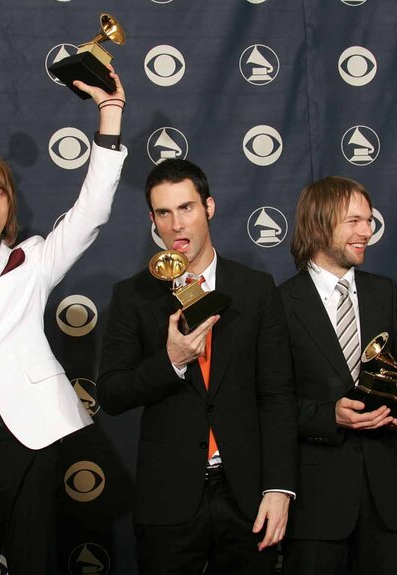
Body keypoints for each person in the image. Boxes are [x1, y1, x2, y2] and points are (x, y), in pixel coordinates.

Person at [0, 71, 126, 574]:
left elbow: (91, 213)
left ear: (9, 203)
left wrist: (110, 112)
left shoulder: (32, 260)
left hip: (28, 441)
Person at [97, 158, 298, 575]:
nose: (176, 224)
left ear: (209, 207)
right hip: (168, 498)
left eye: (186, 208)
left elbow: (277, 395)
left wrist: (279, 488)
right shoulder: (133, 296)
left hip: (245, 495)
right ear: (152, 219)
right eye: (164, 213)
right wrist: (170, 363)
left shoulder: (255, 289)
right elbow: (111, 393)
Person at [278, 176, 397, 574]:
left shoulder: (385, 293)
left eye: (369, 220)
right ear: (320, 224)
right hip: (316, 503)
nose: (367, 231)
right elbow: (271, 401)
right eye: (354, 221)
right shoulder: (280, 303)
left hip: (386, 498)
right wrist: (330, 415)